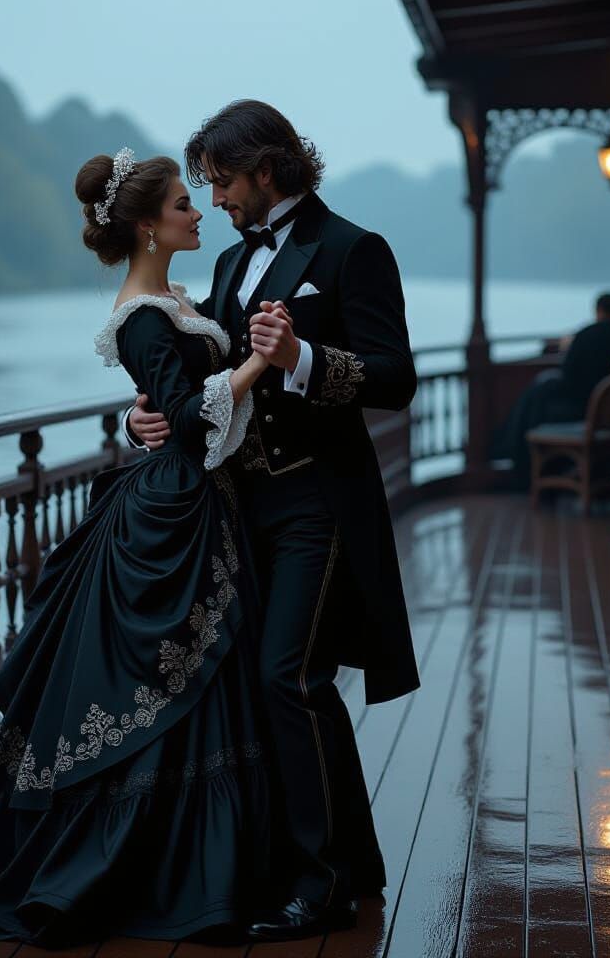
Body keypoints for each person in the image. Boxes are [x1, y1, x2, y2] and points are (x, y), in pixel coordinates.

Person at [0, 150, 281, 946]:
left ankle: (214, 864)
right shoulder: (141, 315)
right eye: (183, 203)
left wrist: (147, 412)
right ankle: (163, 872)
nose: (199, 211)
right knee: (168, 683)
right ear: (147, 225)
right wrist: (259, 358)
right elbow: (189, 419)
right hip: (174, 508)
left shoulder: (175, 300)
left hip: (195, 501)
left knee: (202, 679)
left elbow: (166, 402)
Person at [126, 100, 420, 942]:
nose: (216, 199)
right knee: (289, 686)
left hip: (316, 500)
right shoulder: (228, 263)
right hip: (235, 509)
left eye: (222, 182)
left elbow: (396, 379)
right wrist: (144, 419)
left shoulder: (354, 249)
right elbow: (206, 380)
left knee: (286, 678)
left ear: (266, 168)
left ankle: (320, 889)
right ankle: (352, 863)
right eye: (206, 186)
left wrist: (302, 359)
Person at [492, 290, 610, 486]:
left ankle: (522, 464)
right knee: (538, 393)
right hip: (609, 414)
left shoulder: (586, 335)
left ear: (599, 311)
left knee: (536, 405)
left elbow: (568, 374)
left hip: (580, 411)